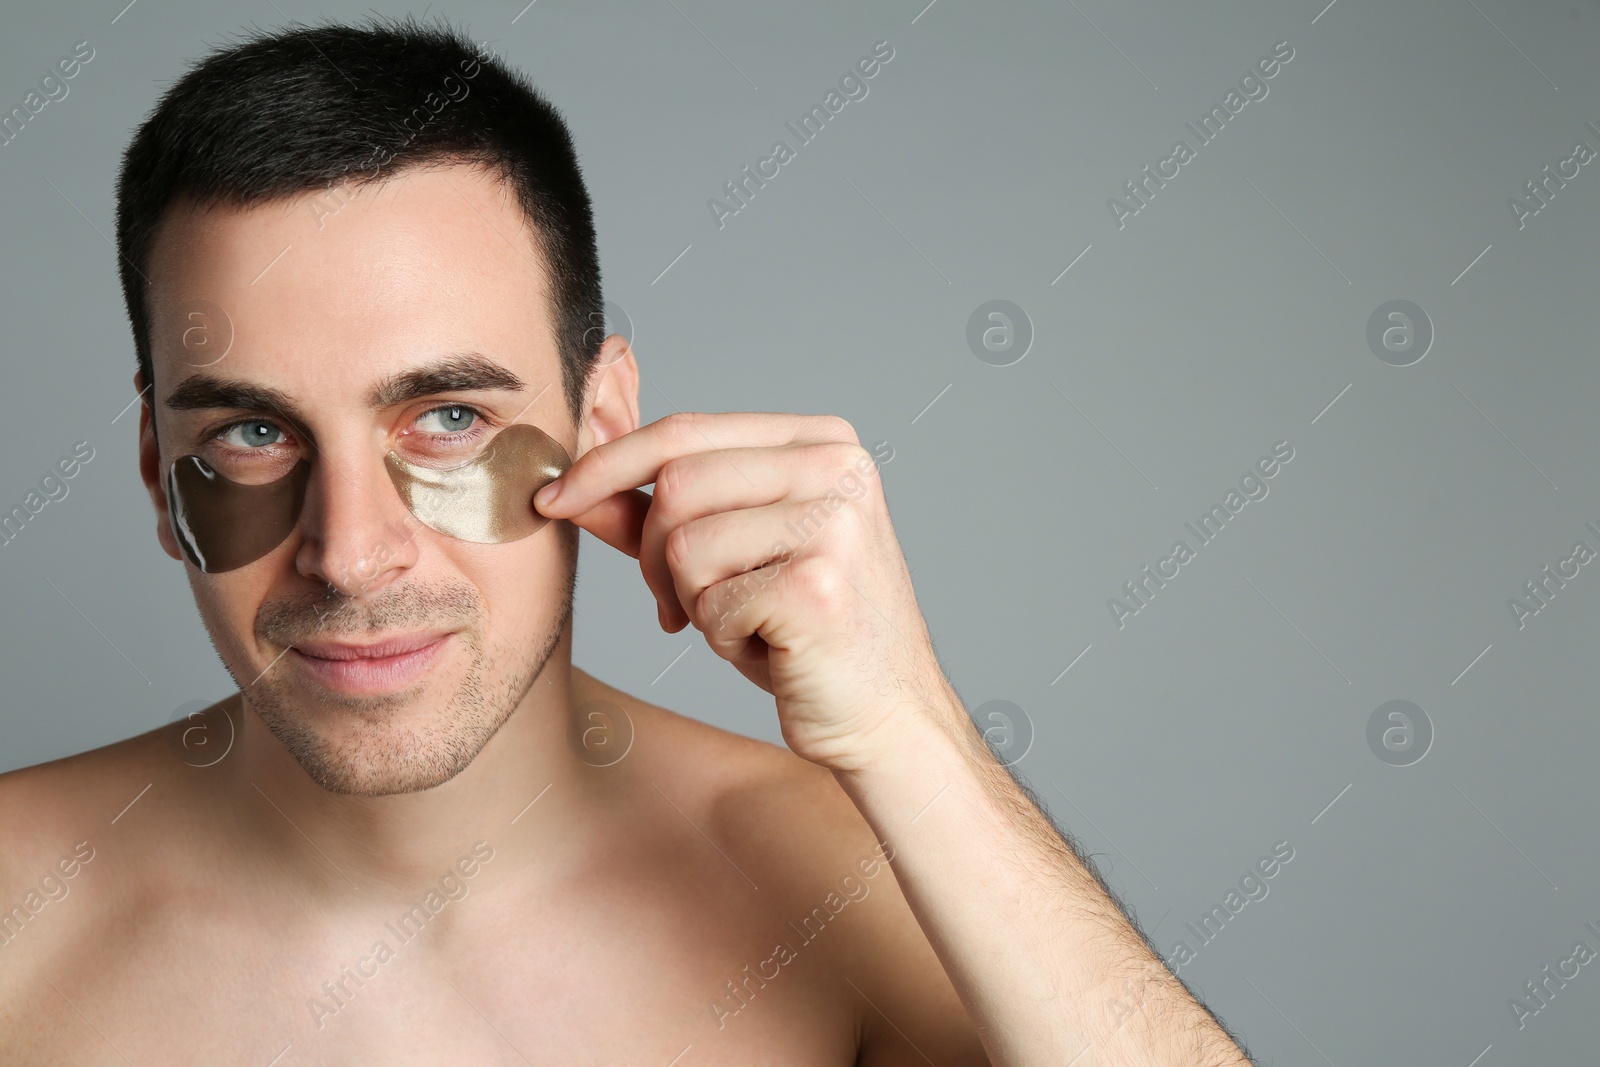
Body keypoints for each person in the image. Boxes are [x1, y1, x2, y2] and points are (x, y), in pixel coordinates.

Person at [0, 18, 1256, 1066]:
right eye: (256, 434)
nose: (352, 552)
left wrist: (905, 730)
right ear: (163, 472)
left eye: (447, 418)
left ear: (601, 424)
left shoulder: (837, 882)